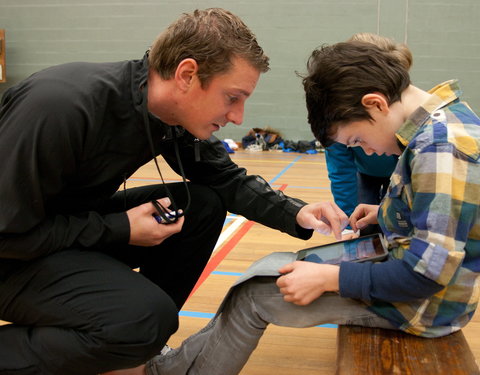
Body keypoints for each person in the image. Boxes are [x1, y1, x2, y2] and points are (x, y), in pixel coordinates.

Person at [0, 8, 348, 375]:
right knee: (146, 319)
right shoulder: (60, 107)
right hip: (12, 253)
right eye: (232, 97)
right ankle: (129, 330)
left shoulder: (164, 114)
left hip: (53, 231)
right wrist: (120, 228)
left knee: (199, 206)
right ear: (186, 75)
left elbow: (223, 179)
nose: (239, 117)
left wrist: (295, 211)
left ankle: (123, 339)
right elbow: (7, 234)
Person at [146, 39, 480, 375]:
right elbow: (449, 218)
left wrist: (331, 278)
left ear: (376, 105)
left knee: (253, 298)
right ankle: (171, 368)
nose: (368, 150)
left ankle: (167, 371)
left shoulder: (439, 149)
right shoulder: (438, 125)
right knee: (261, 274)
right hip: (405, 271)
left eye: (357, 141)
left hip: (424, 305)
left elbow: (427, 274)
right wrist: (385, 212)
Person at [325, 33, 411, 235]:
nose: (371, 150)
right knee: (363, 224)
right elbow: (341, 171)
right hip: (364, 173)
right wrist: (348, 225)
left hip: (397, 175)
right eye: (355, 141)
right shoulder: (339, 115)